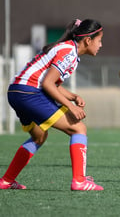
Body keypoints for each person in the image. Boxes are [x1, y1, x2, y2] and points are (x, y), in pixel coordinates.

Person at [0, 19, 104, 191]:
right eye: (99, 40)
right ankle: (79, 181)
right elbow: (48, 84)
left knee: (39, 136)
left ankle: (6, 180)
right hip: (30, 93)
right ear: (88, 41)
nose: (101, 45)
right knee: (79, 129)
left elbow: (51, 83)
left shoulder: (68, 50)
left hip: (16, 92)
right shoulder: (69, 52)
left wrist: (72, 96)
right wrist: (71, 107)